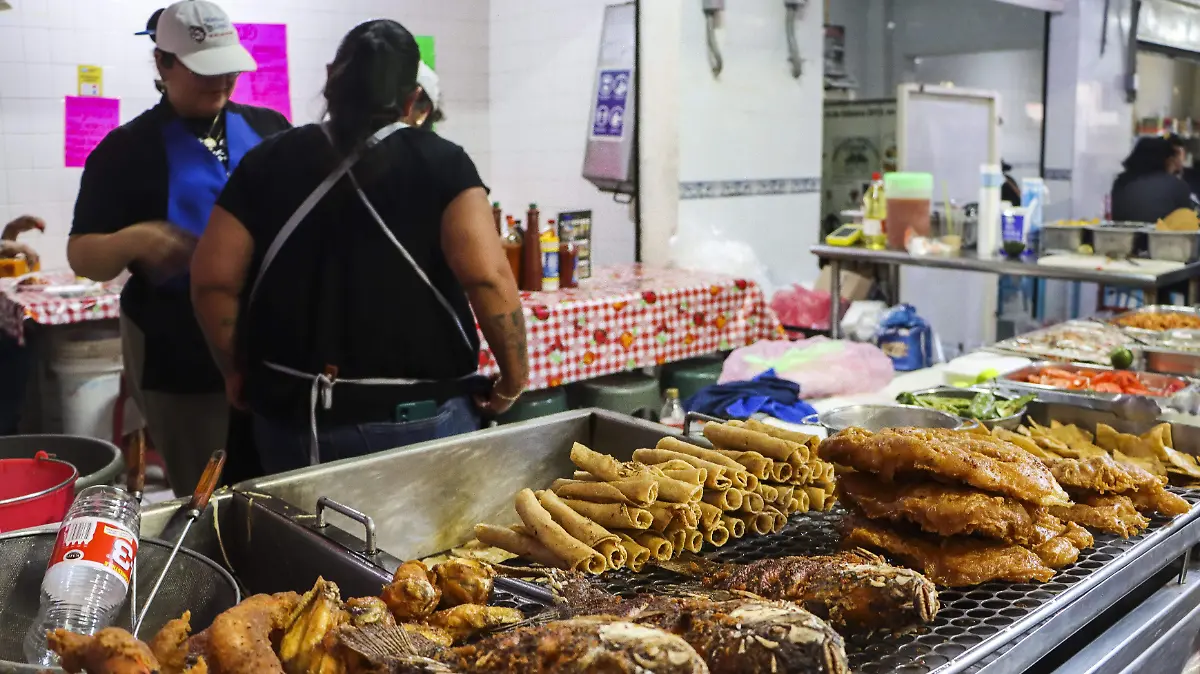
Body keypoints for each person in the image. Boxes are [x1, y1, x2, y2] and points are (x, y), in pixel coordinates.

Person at [192, 19, 528, 473]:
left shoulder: (266, 161)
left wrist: (237, 369)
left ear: (331, 77)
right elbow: (488, 278)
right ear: (411, 99)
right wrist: (512, 379)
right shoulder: (444, 163)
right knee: (430, 547)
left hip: (293, 418)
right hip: (419, 421)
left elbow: (213, 282)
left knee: (301, 545)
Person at [66, 1, 291, 495]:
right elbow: (83, 254)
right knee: (206, 489)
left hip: (272, 342)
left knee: (279, 484)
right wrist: (136, 239)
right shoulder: (127, 150)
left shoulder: (272, 130)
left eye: (228, 68)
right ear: (163, 62)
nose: (222, 81)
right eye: (203, 69)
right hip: (180, 351)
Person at [1110, 136, 1194, 223]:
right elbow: (1187, 223)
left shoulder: (1120, 182)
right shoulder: (1177, 185)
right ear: (1167, 161)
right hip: (1161, 236)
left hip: (1122, 235)